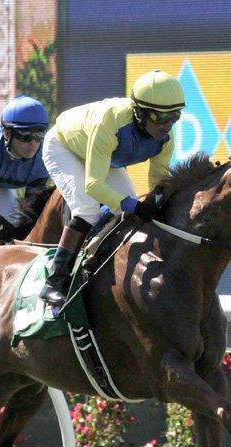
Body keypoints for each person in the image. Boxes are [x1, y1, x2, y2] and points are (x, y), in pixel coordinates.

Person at [38, 69, 183, 312]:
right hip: (64, 147)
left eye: (174, 116)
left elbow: (158, 183)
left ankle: (97, 263)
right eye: (159, 117)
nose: (167, 125)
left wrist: (157, 203)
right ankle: (55, 280)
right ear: (139, 112)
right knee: (87, 209)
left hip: (104, 157)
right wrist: (134, 205)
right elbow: (93, 185)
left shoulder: (165, 139)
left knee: (128, 213)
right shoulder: (110, 123)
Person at [0, 96, 50, 242]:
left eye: (39, 135)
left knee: (12, 224)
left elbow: (30, 212)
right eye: (26, 136)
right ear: (7, 133)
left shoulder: (44, 158)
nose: (33, 143)